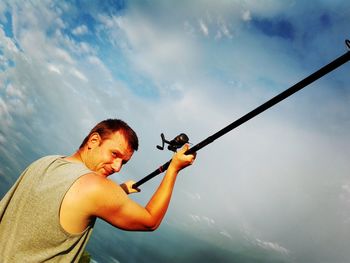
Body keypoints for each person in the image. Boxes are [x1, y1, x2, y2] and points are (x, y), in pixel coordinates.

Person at [0, 119, 196, 262]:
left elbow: (71, 196)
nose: (117, 167)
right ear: (93, 141)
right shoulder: (95, 187)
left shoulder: (45, 162)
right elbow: (150, 221)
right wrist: (173, 169)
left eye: (123, 162)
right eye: (114, 154)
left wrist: (119, 191)